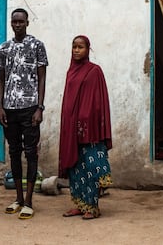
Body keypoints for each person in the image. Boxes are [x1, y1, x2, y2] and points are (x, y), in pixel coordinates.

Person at [0, 8, 48, 219]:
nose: (17, 25)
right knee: (14, 152)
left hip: (30, 108)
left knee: (31, 153)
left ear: (27, 23)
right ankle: (18, 198)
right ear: (11, 23)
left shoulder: (37, 46)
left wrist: (39, 107)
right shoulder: (4, 48)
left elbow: (42, 77)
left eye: (21, 22)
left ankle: (29, 201)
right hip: (10, 109)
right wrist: (0, 107)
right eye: (14, 22)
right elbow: (0, 79)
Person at [59, 35, 112, 220]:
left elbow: (100, 100)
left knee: (91, 167)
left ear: (88, 49)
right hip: (72, 127)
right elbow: (68, 100)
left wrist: (88, 119)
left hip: (90, 129)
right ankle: (80, 205)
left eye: (80, 47)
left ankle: (92, 207)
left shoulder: (94, 71)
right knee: (76, 167)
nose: (76, 50)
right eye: (74, 46)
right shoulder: (70, 72)